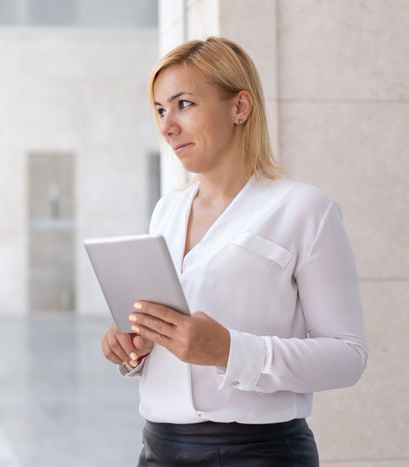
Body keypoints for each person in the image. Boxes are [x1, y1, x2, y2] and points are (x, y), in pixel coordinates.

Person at [101, 37, 368, 466]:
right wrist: (134, 344)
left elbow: (348, 357)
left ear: (239, 107)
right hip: (159, 450)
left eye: (183, 104)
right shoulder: (166, 210)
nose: (167, 126)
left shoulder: (304, 209)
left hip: (259, 455)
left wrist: (230, 351)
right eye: (160, 110)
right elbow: (167, 345)